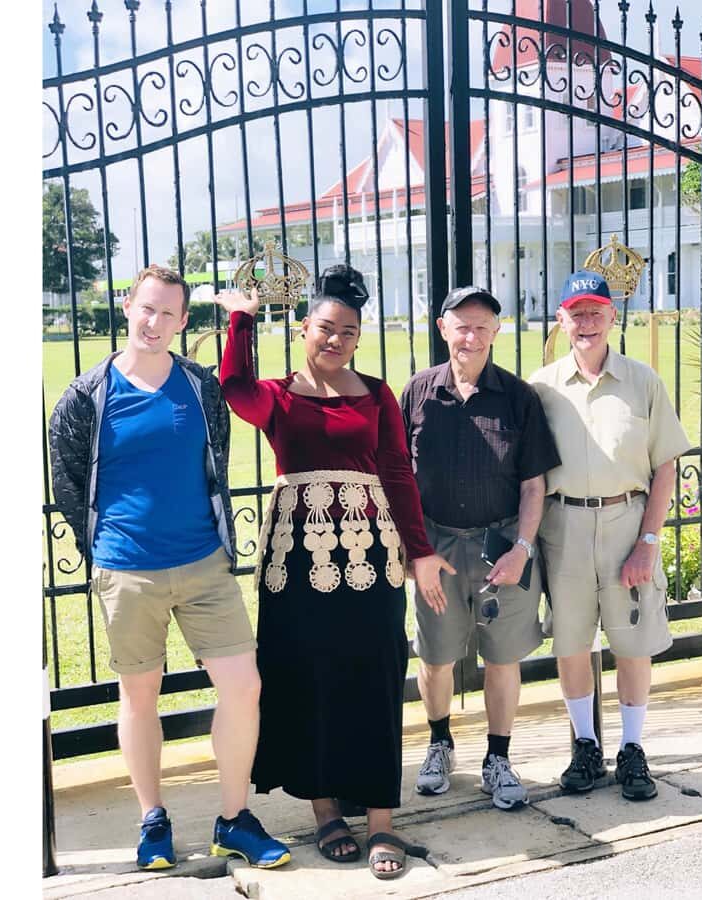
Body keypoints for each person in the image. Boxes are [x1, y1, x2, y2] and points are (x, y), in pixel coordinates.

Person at [216, 264, 453, 880]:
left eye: (348, 332)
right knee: (308, 677)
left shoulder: (376, 394)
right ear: (304, 328)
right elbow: (233, 388)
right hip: (298, 557)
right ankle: (325, 811)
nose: (335, 340)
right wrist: (242, 318)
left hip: (371, 553)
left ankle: (380, 819)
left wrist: (420, 550)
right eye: (325, 328)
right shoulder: (276, 395)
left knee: (375, 676)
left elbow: (397, 472)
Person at [49, 265, 290, 871]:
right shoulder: (86, 394)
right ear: (127, 307)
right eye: (146, 308)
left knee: (244, 686)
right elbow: (68, 478)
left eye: (167, 313)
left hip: (203, 563)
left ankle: (233, 820)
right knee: (140, 697)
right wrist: (102, 546)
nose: (153, 322)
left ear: (183, 322)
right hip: (128, 570)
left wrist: (243, 319)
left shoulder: (200, 386)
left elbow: (216, 459)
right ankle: (152, 818)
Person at [529, 269, 691, 801]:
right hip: (564, 524)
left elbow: (664, 467)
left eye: (596, 312)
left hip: (627, 523)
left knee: (632, 643)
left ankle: (632, 749)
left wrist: (648, 542)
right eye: (576, 313)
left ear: (613, 316)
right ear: (561, 320)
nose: (587, 322)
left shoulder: (643, 381)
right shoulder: (542, 387)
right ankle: (585, 745)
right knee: (572, 640)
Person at [400, 286, 561, 810]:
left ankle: (498, 757)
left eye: (482, 327)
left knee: (502, 657)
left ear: (497, 331)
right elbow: (398, 476)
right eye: (461, 326)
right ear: (442, 329)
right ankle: (439, 744)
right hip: (437, 547)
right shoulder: (418, 392)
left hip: (502, 546)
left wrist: (521, 549)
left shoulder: (518, 397)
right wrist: (414, 551)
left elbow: (534, 486)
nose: (471, 336)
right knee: (435, 655)